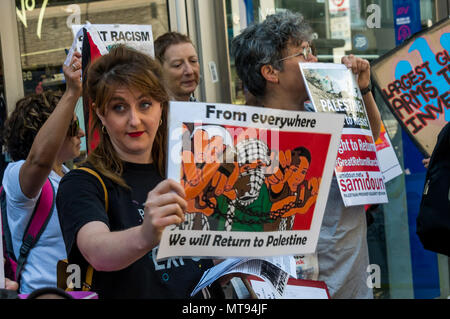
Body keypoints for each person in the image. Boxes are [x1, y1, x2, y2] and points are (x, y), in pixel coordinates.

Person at [231, 10, 381, 298]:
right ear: (271, 72)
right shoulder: (249, 140)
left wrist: (362, 89)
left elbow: (368, 141)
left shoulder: (325, 110)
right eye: (303, 53)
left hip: (351, 279)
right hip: (295, 287)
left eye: (311, 50)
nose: (314, 59)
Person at [56, 45, 223, 299]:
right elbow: (96, 251)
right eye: (119, 108)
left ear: (161, 106)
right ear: (100, 112)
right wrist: (146, 234)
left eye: (145, 104)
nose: (134, 120)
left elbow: (215, 251)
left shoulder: (187, 167)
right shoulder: (82, 183)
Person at [1, 52, 84, 294]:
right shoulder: (16, 175)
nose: (80, 134)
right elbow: (39, 161)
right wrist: (71, 93)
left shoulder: (70, 176)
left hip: (78, 292)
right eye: (73, 127)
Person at [154, 32, 200, 101]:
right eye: (177, 65)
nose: (189, 71)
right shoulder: (154, 111)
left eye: (193, 61)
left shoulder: (201, 109)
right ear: (159, 71)